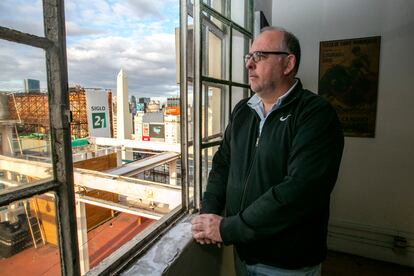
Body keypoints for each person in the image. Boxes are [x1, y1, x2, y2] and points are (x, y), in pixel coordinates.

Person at [191, 26, 344, 276]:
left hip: (286, 264)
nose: (249, 65)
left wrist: (228, 229)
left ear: (288, 64)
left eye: (260, 56)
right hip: (243, 254)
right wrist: (209, 213)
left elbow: (300, 191)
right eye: (248, 57)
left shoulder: (316, 114)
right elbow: (222, 165)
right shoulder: (243, 111)